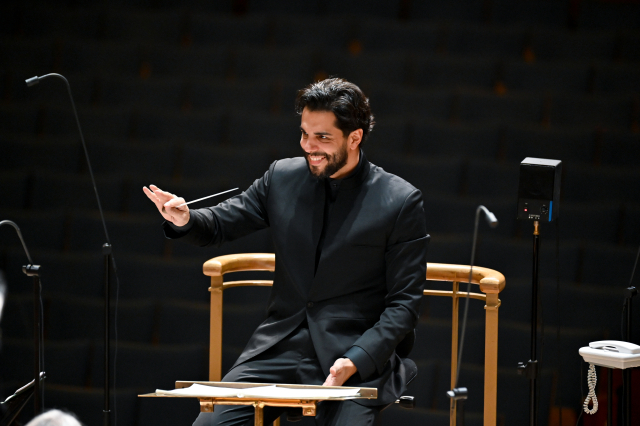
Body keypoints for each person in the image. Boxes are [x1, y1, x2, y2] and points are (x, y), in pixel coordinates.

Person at [143, 78, 429, 425]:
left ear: (355, 137)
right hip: (278, 346)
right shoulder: (282, 176)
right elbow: (221, 223)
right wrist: (186, 217)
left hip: (353, 353)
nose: (309, 146)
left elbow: (404, 305)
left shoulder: (399, 201)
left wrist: (356, 359)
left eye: (322, 137)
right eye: (304, 133)